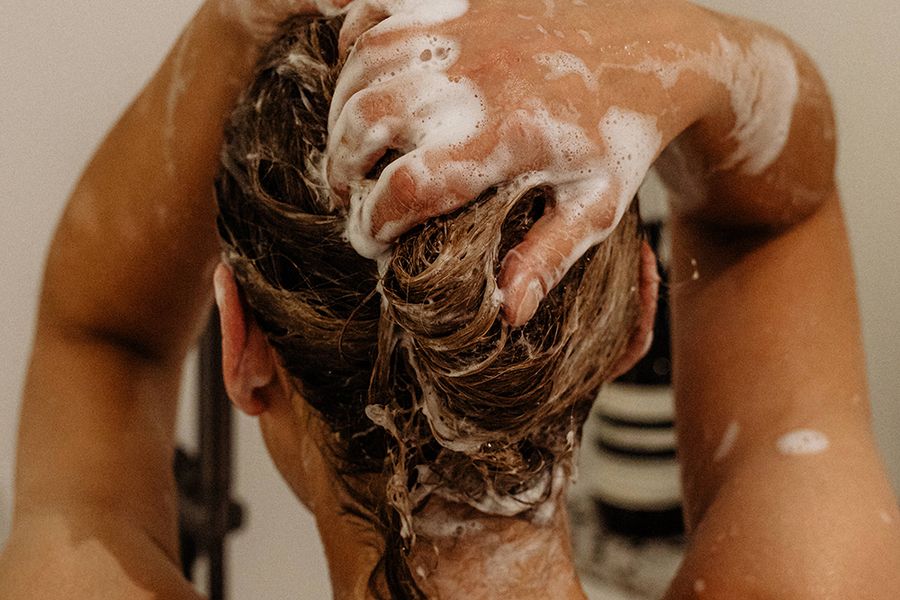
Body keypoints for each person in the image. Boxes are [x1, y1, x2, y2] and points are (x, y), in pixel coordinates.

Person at [0, 1, 898, 599]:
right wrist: (665, 51)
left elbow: (101, 336)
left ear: (240, 343)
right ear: (636, 318)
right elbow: (781, 209)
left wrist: (238, 20)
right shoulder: (810, 577)